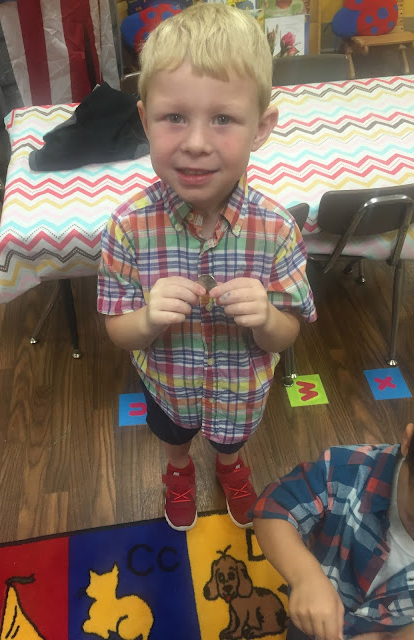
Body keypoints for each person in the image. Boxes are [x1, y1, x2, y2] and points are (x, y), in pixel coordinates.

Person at [97, 2, 316, 532]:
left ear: (261, 128)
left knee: (230, 441)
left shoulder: (278, 230)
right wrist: (148, 318)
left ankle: (229, 465)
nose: (195, 143)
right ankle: (178, 472)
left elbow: (286, 334)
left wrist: (266, 317)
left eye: (223, 118)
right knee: (173, 438)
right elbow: (118, 330)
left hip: (239, 398)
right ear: (145, 120)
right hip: (166, 388)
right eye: (174, 117)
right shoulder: (127, 228)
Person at [252, 423, 414, 640]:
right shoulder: (345, 469)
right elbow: (274, 507)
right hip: (312, 615)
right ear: (408, 441)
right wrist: (305, 576)